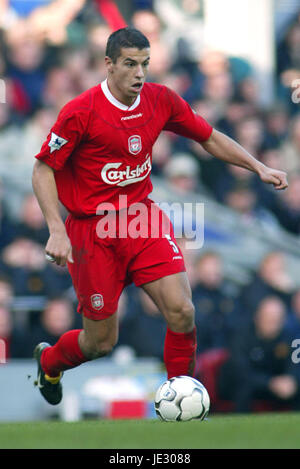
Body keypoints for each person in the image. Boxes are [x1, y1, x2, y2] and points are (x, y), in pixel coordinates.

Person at [31, 27, 288, 406]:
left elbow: (208, 135)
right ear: (109, 65)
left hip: (141, 220)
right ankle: (50, 361)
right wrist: (56, 229)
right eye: (130, 64)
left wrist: (258, 166)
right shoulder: (80, 113)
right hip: (91, 231)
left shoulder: (160, 100)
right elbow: (43, 170)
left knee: (183, 311)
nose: (140, 73)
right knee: (100, 342)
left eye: (145, 64)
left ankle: (178, 397)